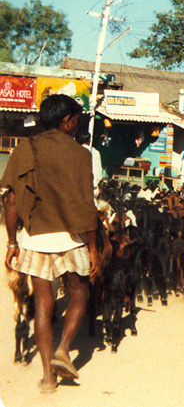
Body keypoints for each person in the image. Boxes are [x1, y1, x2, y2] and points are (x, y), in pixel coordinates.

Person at [2, 94, 100, 393]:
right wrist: (93, 248)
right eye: (76, 119)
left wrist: (11, 242)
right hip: (71, 238)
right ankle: (64, 348)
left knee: (43, 306)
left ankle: (48, 377)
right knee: (80, 292)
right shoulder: (82, 155)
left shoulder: (25, 148)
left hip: (34, 237)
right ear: (67, 121)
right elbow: (88, 205)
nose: (76, 124)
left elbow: (11, 202)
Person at [75, 131, 103, 199]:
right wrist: (100, 188)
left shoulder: (74, 151)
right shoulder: (95, 153)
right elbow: (99, 173)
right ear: (89, 140)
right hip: (91, 188)